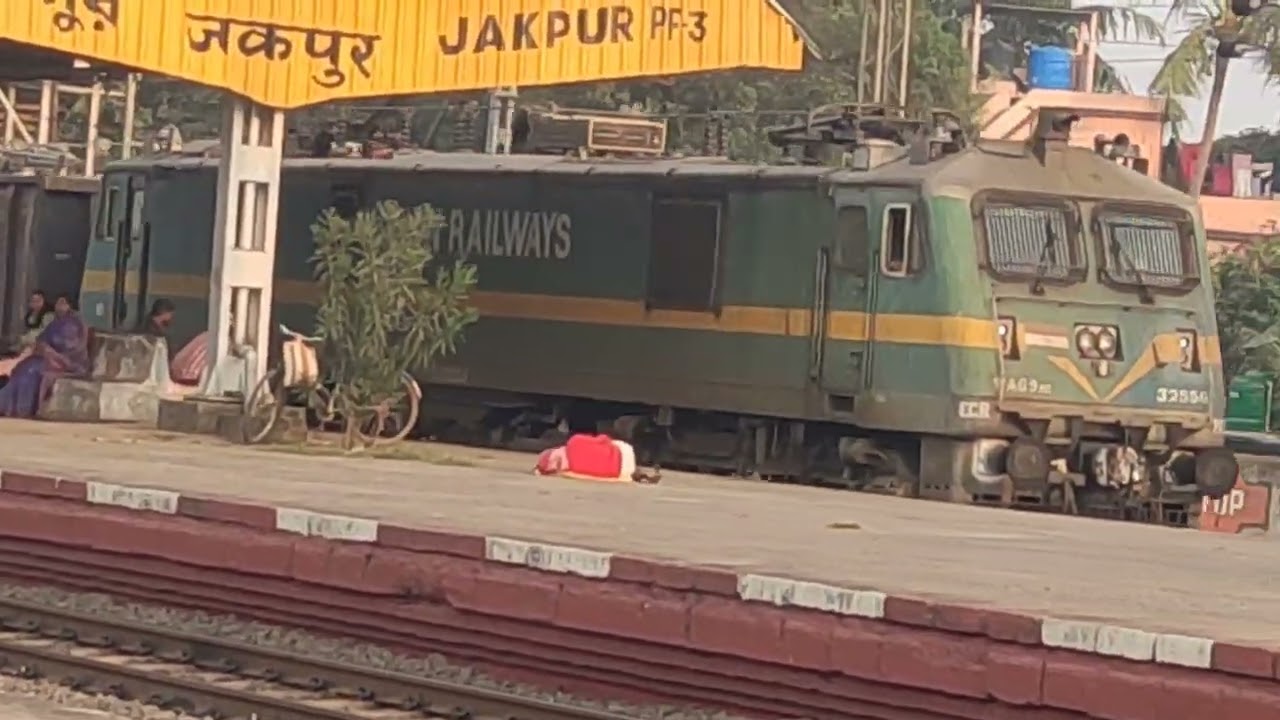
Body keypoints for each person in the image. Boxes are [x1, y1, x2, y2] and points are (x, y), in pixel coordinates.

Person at [0, 294, 90, 418]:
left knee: (31, 371)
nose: (59, 306)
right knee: (22, 368)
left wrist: (48, 350)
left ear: (70, 306)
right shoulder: (55, 321)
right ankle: (8, 405)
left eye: (63, 303)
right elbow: (42, 339)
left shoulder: (73, 323)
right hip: (48, 358)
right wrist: (41, 348)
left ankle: (24, 409)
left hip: (66, 361)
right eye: (58, 303)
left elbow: (69, 345)